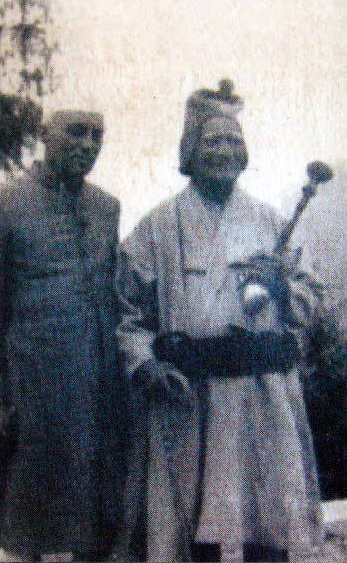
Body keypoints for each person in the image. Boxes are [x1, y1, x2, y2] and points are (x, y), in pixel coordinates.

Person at [115, 82, 323, 562]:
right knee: (194, 526)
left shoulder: (272, 222)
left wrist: (280, 287)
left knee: (268, 518)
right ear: (190, 149)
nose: (223, 152)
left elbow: (311, 298)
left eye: (233, 141)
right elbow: (128, 315)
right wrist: (148, 367)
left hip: (260, 390)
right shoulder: (157, 228)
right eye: (212, 142)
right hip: (189, 392)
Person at [0, 110, 125, 562]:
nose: (89, 144)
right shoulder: (0, 206)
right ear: (44, 136)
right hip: (31, 403)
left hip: (98, 403)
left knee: (96, 536)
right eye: (76, 132)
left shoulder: (106, 207)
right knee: (28, 537)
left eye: (98, 135)